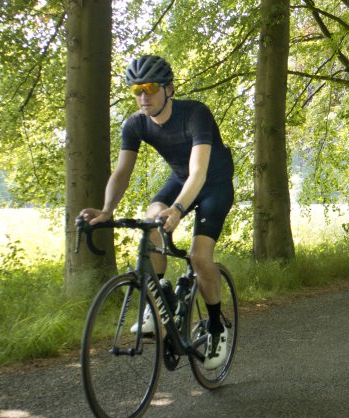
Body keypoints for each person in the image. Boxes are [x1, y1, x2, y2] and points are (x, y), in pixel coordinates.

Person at [78, 55, 235, 370]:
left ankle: (217, 327)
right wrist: (107, 210)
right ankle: (162, 297)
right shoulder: (135, 123)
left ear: (169, 89)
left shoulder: (195, 114)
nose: (143, 97)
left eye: (149, 88)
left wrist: (178, 209)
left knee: (199, 257)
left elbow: (198, 171)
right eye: (136, 90)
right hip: (180, 180)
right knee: (152, 220)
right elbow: (122, 171)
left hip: (212, 184)